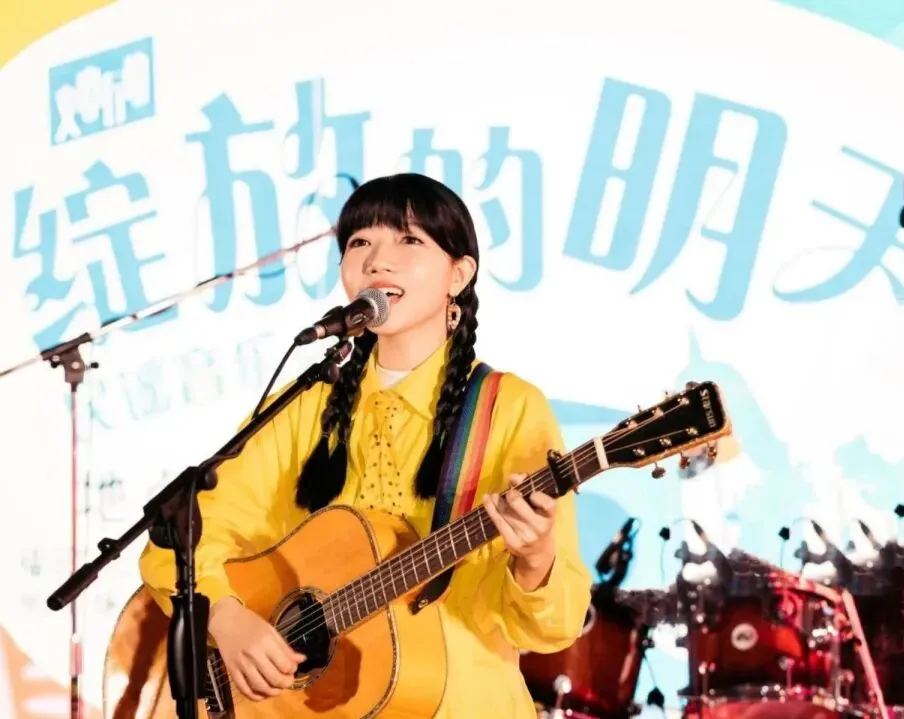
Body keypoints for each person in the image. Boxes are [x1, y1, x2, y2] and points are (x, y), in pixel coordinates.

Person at [137, 173, 593, 718]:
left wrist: (536, 559)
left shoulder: (507, 408)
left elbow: (554, 625)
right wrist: (227, 617)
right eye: (359, 243)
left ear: (460, 273)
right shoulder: (308, 405)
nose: (378, 260)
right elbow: (183, 535)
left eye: (409, 239)